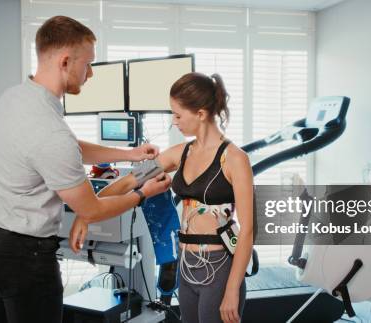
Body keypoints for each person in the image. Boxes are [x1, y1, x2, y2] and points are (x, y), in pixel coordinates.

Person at [0, 16, 171, 323]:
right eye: (89, 64)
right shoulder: (50, 131)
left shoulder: (16, 97)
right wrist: (143, 193)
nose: (91, 73)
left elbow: (68, 146)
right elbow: (90, 208)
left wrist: (129, 154)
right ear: (66, 61)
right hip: (26, 259)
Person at [72, 72, 254, 323]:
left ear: (200, 114)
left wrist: (233, 290)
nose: (174, 121)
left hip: (220, 265)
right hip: (186, 265)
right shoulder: (180, 153)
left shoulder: (235, 159)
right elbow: (129, 181)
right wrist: (89, 210)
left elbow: (247, 231)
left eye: (178, 115)